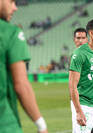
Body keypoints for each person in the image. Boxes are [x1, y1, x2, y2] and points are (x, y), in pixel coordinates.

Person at [0, 0, 48, 133]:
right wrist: (40, 124)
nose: (15, 8)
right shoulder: (10, 32)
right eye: (11, 2)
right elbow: (21, 85)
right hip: (5, 124)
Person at [73, 27, 93, 133]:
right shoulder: (76, 56)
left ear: (87, 39)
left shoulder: (92, 54)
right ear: (74, 40)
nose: (80, 40)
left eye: (83, 38)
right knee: (84, 127)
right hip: (81, 98)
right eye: (78, 38)